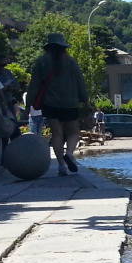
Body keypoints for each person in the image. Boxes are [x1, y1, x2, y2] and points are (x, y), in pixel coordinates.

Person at [26, 33, 89, 176]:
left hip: (50, 104)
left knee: (57, 134)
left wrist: (28, 105)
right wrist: (85, 100)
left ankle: (61, 165)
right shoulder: (71, 61)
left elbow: (34, 85)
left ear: (48, 47)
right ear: (63, 47)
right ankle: (70, 153)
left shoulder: (41, 62)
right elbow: (80, 82)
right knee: (73, 132)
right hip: (70, 102)